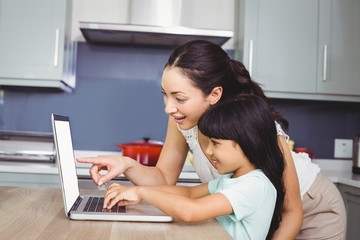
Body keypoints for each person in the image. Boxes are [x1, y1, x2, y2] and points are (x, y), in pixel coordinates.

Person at [78, 40, 346, 239]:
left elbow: (291, 212)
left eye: (179, 98)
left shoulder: (249, 128)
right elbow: (165, 179)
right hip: (255, 212)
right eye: (165, 95)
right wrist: (127, 165)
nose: (168, 108)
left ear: (214, 95)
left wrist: (142, 193)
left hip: (311, 206)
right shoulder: (181, 119)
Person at [104, 95, 285, 240]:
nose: (208, 150)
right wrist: (135, 191)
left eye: (215, 143)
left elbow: (191, 211)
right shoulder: (231, 180)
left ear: (247, 142)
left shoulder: (255, 185)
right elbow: (188, 194)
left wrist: (142, 192)